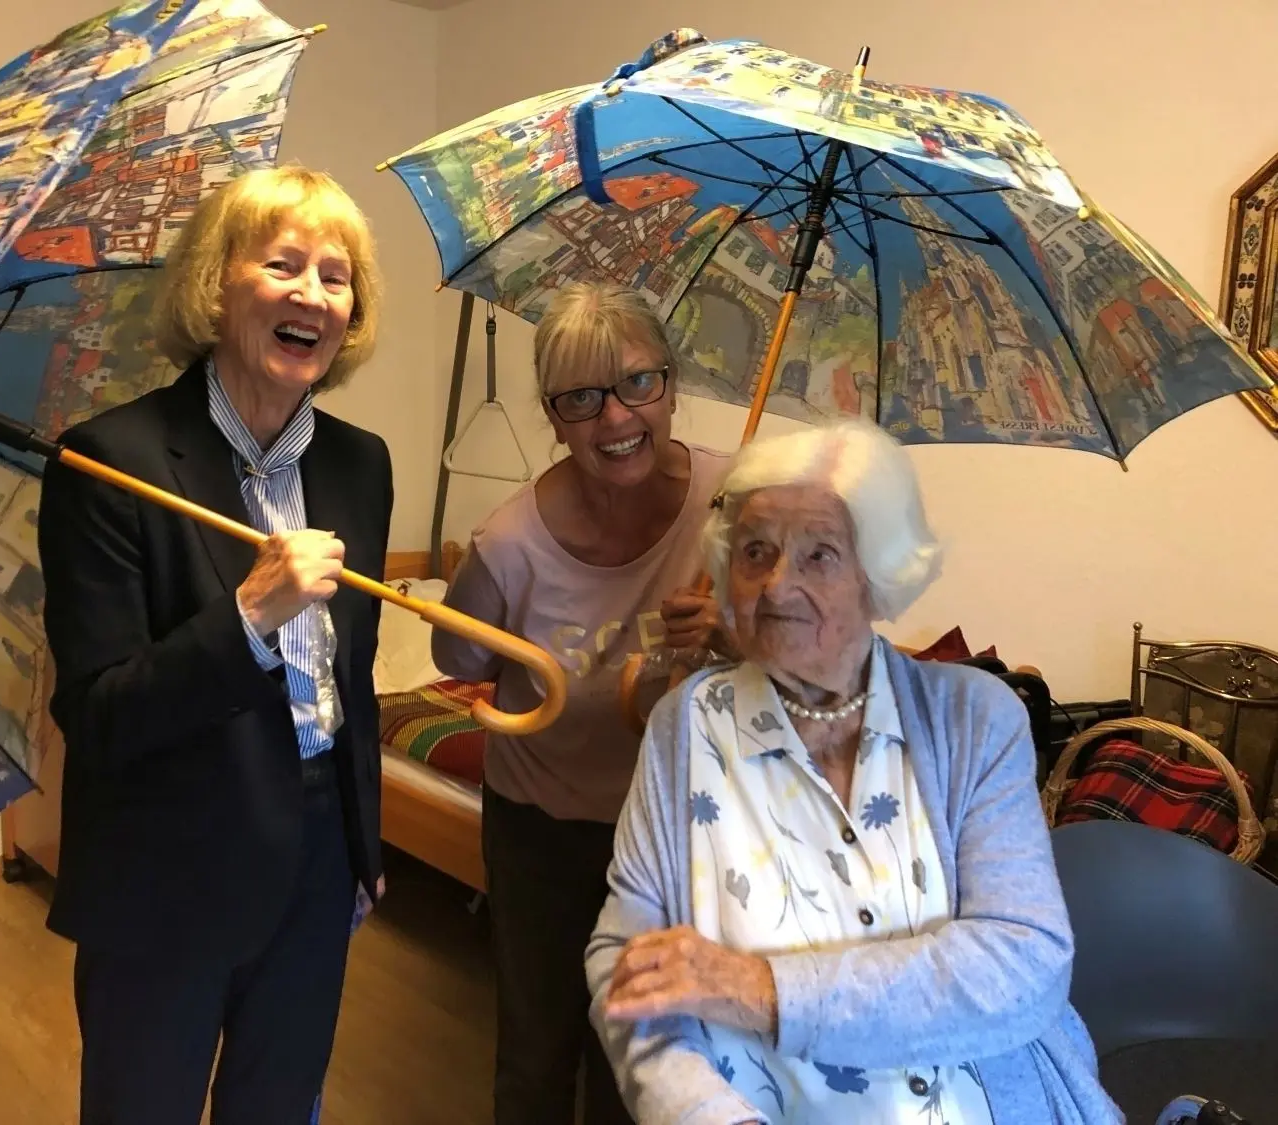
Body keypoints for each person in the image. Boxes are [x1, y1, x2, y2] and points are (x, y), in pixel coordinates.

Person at [585, 420, 1124, 1125]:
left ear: (879, 576)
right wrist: (705, 1112)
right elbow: (623, 963)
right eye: (756, 551)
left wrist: (763, 990)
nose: (779, 582)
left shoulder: (971, 719)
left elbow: (1022, 964)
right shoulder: (685, 727)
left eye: (819, 554)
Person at [37, 164, 392, 1125]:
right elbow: (101, 715)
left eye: (336, 273)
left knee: (278, 1106)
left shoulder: (361, 463)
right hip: (167, 865)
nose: (313, 293)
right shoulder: (110, 462)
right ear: (216, 284)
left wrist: (361, 838)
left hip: (318, 859)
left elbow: (348, 681)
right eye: (283, 263)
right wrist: (249, 616)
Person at [431, 280, 729, 1125]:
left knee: (639, 1056)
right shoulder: (507, 542)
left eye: (640, 383)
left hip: (678, 830)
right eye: (583, 398)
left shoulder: (733, 498)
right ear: (553, 417)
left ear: (671, 385)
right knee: (536, 1050)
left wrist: (732, 632)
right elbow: (457, 657)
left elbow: (798, 649)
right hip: (543, 829)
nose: (617, 418)